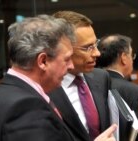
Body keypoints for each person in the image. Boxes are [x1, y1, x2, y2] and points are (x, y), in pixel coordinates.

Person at [0, 14, 76, 141]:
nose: (71, 66)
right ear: (43, 61)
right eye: (66, 59)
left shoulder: (4, 93)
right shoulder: (27, 107)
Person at [49, 11, 117, 141]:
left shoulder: (101, 78)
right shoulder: (44, 88)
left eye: (95, 44)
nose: (97, 53)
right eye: (87, 48)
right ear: (63, 48)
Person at [96, 34, 138, 140]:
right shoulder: (136, 92)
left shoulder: (88, 86)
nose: (132, 60)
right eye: (131, 55)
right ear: (124, 57)